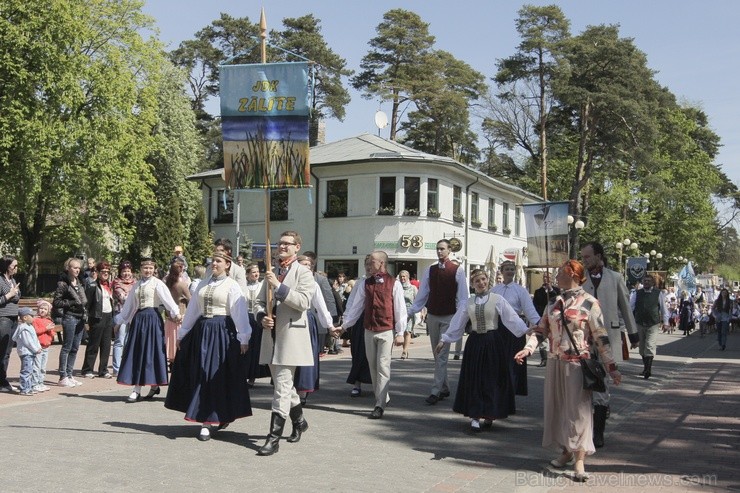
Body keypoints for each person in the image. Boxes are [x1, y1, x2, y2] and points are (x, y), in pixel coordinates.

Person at [516, 259, 622, 482]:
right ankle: (565, 452)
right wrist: (528, 349)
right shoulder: (553, 302)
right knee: (558, 410)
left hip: (577, 364)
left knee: (578, 414)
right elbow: (541, 330)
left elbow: (601, 337)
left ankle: (580, 461)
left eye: (559, 274)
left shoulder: (590, 303)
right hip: (555, 363)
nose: (555, 277)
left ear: (573, 275)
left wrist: (611, 367)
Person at [165, 250, 252, 441]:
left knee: (216, 375)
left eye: (218, 261)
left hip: (222, 332)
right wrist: (183, 333)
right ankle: (205, 418)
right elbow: (193, 311)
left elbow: (239, 312)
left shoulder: (232, 286)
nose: (214, 264)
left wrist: (244, 337)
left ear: (227, 264)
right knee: (201, 372)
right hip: (202, 332)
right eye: (213, 261)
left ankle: (214, 416)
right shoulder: (203, 284)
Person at [436, 269, 529, 431]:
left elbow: (511, 318)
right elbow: (457, 323)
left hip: (493, 342)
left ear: (488, 280)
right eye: (477, 281)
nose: (481, 283)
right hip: (475, 343)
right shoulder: (468, 303)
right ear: (472, 284)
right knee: (475, 378)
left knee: (492, 379)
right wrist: (445, 339)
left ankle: (490, 412)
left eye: (484, 279)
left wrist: (528, 330)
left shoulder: (497, 299)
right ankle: (475, 415)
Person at [254, 231, 315, 456]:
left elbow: (304, 302)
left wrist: (279, 287)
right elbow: (259, 302)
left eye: (287, 244)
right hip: (271, 337)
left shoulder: (304, 272)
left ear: (297, 247)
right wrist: (262, 317)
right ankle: (299, 421)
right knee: (286, 386)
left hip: (291, 337)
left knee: (281, 387)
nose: (282, 247)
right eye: (280, 243)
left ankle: (273, 438)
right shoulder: (272, 271)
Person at [333, 251, 407, 419]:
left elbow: (400, 310)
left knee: (383, 366)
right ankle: (381, 396)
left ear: (381, 263)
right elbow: (356, 308)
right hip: (369, 330)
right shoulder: (365, 284)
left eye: (371, 262)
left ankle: (379, 404)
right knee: (373, 367)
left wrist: (400, 332)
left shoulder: (394, 284)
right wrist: (344, 326)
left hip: (386, 330)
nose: (368, 265)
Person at [580, 241, 638, 448]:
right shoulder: (581, 278)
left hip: (609, 337)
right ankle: (588, 425)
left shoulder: (615, 278)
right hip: (585, 339)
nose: (584, 260)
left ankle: (599, 432)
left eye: (587, 256)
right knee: (587, 381)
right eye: (583, 257)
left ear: (598, 256)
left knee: (602, 382)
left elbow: (625, 305)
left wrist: (633, 333)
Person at [407, 239, 469, 404]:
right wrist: (412, 311)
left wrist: (459, 318)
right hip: (433, 316)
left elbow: (463, 298)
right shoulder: (430, 270)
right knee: (437, 354)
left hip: (449, 316)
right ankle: (445, 388)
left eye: (442, 249)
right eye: (437, 248)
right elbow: (423, 293)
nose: (439, 251)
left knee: (441, 354)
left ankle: (435, 391)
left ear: (449, 250)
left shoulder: (457, 271)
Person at [115, 258, 181, 403]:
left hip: (152, 320)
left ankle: (152, 385)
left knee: (152, 352)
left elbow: (168, 300)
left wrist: (176, 313)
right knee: (138, 352)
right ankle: (137, 389)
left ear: (154, 269)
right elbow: (130, 305)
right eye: (145, 268)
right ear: (140, 269)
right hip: (139, 320)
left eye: (151, 268)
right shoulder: (137, 285)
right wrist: (120, 321)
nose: (148, 270)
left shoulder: (157, 284)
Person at [492, 260, 540, 396]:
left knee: (513, 361)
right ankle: (498, 390)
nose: (509, 271)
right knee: (498, 361)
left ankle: (511, 391)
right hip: (498, 327)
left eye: (512, 269)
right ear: (501, 271)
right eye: (507, 269)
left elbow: (529, 309)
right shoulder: (495, 290)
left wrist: (539, 324)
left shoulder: (520, 291)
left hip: (515, 328)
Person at [294, 255, 334, 405]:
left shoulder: (313, 284)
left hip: (306, 321)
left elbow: (321, 307)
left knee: (306, 357)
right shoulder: (289, 281)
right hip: (289, 321)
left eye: (309, 266)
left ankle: (303, 392)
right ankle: (288, 390)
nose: (306, 267)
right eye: (303, 264)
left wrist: (329, 325)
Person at [53, 257, 88, 388]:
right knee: (67, 347)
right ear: (68, 268)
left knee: (75, 347)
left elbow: (83, 299)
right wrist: (71, 302)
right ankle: (62, 376)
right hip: (70, 317)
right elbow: (56, 302)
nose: (77, 270)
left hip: (80, 317)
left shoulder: (79, 282)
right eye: (74, 267)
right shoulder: (63, 284)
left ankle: (69, 374)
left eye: (78, 268)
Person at [344, 257, 373, 397]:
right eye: (366, 264)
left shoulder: (385, 281)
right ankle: (357, 384)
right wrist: (346, 321)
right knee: (357, 353)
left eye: (371, 264)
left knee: (376, 356)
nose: (369, 267)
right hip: (359, 320)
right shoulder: (360, 282)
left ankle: (379, 385)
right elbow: (351, 303)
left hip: (376, 322)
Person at [630, 273, 669, 379]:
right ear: (642, 282)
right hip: (640, 323)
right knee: (642, 348)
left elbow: (664, 309)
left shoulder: (658, 293)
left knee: (650, 346)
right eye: (645, 280)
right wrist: (629, 323)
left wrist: (666, 323)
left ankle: (648, 370)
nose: (646, 282)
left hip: (653, 323)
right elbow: (630, 307)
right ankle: (645, 368)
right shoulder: (637, 293)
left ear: (652, 282)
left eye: (648, 281)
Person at [82, 261, 114, 379]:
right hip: (96, 317)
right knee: (93, 344)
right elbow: (87, 304)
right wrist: (86, 320)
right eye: (103, 272)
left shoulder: (109, 286)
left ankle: (103, 370)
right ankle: (87, 369)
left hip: (108, 316)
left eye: (107, 272)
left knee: (106, 345)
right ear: (98, 272)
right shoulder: (92, 286)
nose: (105, 274)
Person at [244, 263, 269, 386]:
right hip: (247, 318)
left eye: (257, 271)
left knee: (257, 348)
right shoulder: (243, 287)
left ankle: (253, 377)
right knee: (246, 347)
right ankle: (244, 374)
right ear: (247, 274)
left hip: (258, 319)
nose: (256, 274)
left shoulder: (261, 285)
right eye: (253, 272)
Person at [164, 259, 191, 366]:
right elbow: (190, 299)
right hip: (181, 315)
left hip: (170, 315)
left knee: (170, 340)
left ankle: (171, 362)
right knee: (179, 340)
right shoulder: (181, 284)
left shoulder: (167, 282)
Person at [0, 255, 21, 392]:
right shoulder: (0, 281)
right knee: (1, 351)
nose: (16, 268)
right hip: (3, 318)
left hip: (13, 318)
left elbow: (18, 297)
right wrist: (9, 295)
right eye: (14, 266)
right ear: (7, 266)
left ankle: (3, 380)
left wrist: (15, 293)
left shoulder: (12, 280)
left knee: (7, 352)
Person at [111, 260, 135, 376]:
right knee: (120, 341)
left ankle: (126, 366)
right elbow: (123, 297)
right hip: (120, 314)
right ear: (120, 272)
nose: (126, 273)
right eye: (124, 271)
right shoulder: (116, 282)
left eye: (128, 271)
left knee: (129, 341)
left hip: (133, 314)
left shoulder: (135, 282)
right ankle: (117, 368)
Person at [533, 272, 560, 367]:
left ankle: (555, 357)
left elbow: (558, 301)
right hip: (542, 317)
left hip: (554, 318)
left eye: (548, 277)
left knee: (555, 338)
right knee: (542, 340)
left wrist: (551, 290)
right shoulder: (538, 291)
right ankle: (544, 359)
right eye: (544, 277)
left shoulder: (557, 290)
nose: (546, 279)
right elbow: (535, 305)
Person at [13, 307, 42, 396]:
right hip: (26, 353)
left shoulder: (30, 327)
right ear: (25, 317)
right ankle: (24, 389)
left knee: (30, 370)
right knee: (26, 371)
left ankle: (29, 388)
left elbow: (35, 339)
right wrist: (36, 349)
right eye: (32, 316)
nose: (34, 317)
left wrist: (38, 346)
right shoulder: (24, 328)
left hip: (31, 352)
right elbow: (28, 341)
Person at [32, 300, 55, 392]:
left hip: (46, 347)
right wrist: (46, 328)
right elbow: (35, 331)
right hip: (38, 347)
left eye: (45, 309)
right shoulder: (35, 320)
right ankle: (35, 383)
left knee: (43, 367)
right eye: (41, 308)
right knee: (36, 366)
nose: (42, 310)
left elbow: (52, 333)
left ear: (48, 311)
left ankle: (41, 382)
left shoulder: (48, 320)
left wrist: (51, 332)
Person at [398, 270, 418, 360]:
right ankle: (404, 348)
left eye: (404, 276)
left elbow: (418, 300)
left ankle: (404, 351)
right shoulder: (397, 287)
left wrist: (421, 312)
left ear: (408, 277)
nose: (402, 278)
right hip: (398, 312)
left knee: (407, 331)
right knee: (399, 331)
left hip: (409, 312)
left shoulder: (413, 288)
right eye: (401, 276)